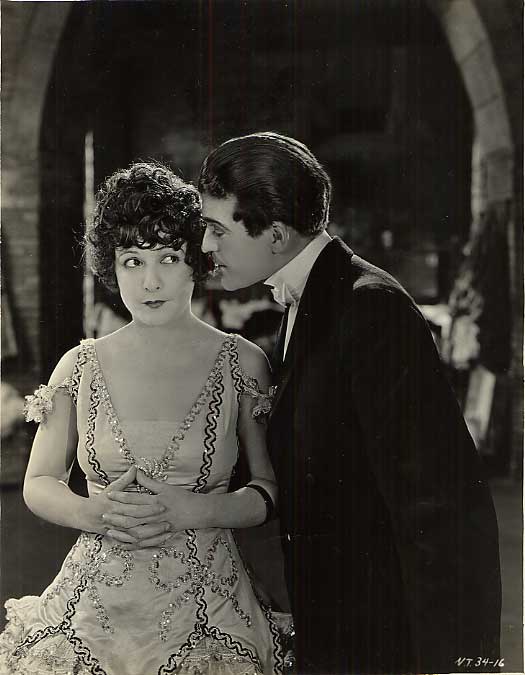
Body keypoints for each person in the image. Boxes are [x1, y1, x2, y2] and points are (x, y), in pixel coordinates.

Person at [195, 132, 502, 674]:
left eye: (218, 229)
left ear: (275, 234)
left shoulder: (370, 310)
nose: (205, 245)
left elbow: (443, 508)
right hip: (337, 626)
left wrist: (463, 665)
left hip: (386, 640)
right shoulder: (309, 300)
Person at [0, 162, 286, 675]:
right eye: (132, 261)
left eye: (169, 258)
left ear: (195, 260)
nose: (151, 281)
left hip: (210, 607)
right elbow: (39, 481)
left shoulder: (242, 362)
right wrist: (96, 514)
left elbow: (268, 490)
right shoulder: (80, 365)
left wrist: (196, 510)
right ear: (111, 267)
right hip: (94, 610)